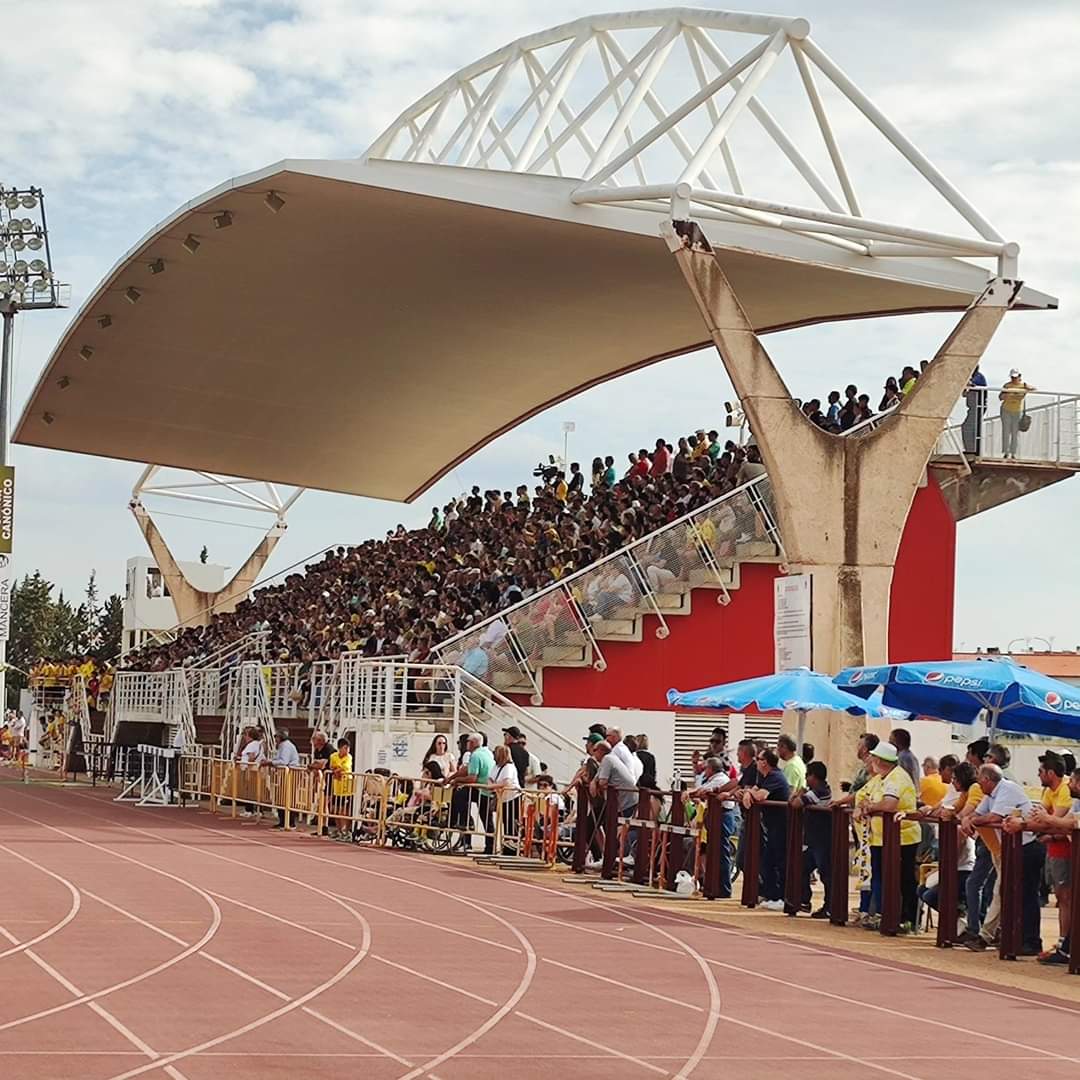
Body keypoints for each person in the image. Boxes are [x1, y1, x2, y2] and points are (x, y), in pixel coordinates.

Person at [963, 764, 1043, 955]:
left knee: (1026, 895)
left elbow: (993, 816)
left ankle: (1028, 941)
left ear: (986, 780)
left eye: (980, 780)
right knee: (1006, 892)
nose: (978, 784)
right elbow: (980, 813)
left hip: (1026, 847)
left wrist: (971, 820)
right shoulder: (991, 794)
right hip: (1009, 848)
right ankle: (1002, 937)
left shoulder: (1007, 789)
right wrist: (969, 818)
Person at [856, 741, 921, 933]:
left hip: (903, 839)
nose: (871, 760)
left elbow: (889, 805)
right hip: (880, 839)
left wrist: (870, 806)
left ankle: (907, 919)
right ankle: (883, 915)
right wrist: (862, 806)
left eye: (874, 757)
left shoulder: (897, 778)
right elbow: (861, 795)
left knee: (904, 880)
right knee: (880, 877)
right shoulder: (880, 778)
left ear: (881, 760)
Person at [1035, 752, 1073, 962]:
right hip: (1054, 850)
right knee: (1061, 897)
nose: (1038, 775)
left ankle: (1065, 945)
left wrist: (1047, 824)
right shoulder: (1050, 791)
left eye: (1040, 771)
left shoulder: (1065, 790)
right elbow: (1041, 817)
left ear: (1050, 773)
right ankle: (1063, 943)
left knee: (1065, 898)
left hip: (1065, 851)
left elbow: (1054, 820)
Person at [683, 756, 737, 897]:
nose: (704, 770)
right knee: (714, 852)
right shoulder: (714, 779)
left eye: (706, 767)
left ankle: (724, 889)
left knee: (721, 853)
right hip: (716, 816)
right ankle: (714, 886)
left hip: (723, 816)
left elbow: (703, 790)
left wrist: (689, 793)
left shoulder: (720, 779)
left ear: (711, 768)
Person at [745, 748, 790, 909]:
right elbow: (753, 790)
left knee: (779, 861)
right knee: (768, 861)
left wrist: (749, 793)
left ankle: (783, 898)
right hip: (772, 826)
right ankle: (773, 895)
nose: (756, 761)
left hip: (782, 826)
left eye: (758, 759)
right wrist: (747, 793)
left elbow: (759, 796)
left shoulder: (775, 776)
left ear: (765, 763)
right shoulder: (764, 776)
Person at [793, 760, 832, 918]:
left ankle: (830, 906)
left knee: (826, 874)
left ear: (814, 777)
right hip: (814, 839)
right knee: (803, 868)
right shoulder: (818, 790)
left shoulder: (819, 791)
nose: (806, 779)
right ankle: (804, 901)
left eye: (807, 775)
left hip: (822, 839)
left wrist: (799, 793)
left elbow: (795, 803)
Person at [491, 744, 522, 852]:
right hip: (503, 799)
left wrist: (492, 786)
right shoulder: (496, 766)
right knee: (505, 823)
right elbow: (489, 778)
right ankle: (507, 847)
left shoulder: (509, 767)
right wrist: (493, 785)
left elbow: (507, 782)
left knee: (511, 824)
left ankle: (512, 848)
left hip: (512, 798)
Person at [327, 738, 354, 840]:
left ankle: (346, 831)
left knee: (344, 811)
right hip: (336, 788)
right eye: (345, 748)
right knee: (335, 810)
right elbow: (332, 767)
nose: (347, 750)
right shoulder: (333, 756)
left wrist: (337, 770)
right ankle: (339, 830)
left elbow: (345, 768)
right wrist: (336, 771)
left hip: (346, 787)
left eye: (348, 748)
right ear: (339, 748)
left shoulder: (349, 757)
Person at [962, 365, 988, 455]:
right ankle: (971, 449)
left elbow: (971, 384)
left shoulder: (979, 377)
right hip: (973, 407)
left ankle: (972, 450)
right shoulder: (973, 377)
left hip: (979, 406)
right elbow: (964, 394)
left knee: (969, 427)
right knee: (971, 428)